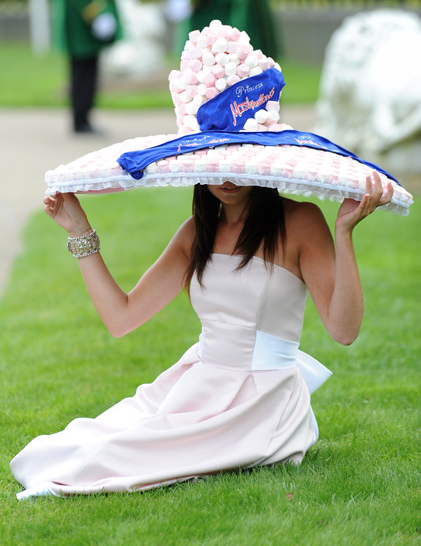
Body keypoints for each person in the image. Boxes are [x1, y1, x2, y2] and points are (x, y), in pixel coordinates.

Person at [10, 174, 393, 498]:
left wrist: (344, 233)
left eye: (237, 163)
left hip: (262, 400)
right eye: (216, 163)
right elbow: (121, 317)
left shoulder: (300, 221)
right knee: (69, 445)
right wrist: (80, 231)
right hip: (198, 380)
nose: (226, 179)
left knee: (117, 455)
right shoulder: (196, 232)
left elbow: (344, 331)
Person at [46, 0, 123, 134]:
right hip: (82, 13)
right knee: (82, 65)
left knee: (89, 64)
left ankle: (84, 115)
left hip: (93, 9)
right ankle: (80, 118)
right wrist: (93, 9)